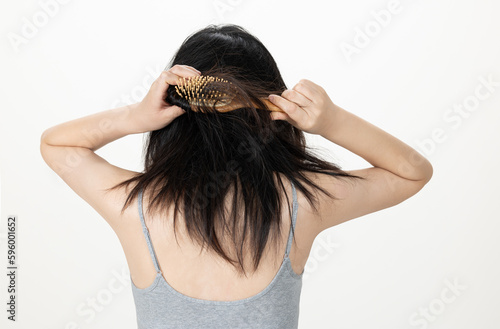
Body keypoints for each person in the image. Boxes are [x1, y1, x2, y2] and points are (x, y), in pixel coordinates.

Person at [40, 24, 433, 329]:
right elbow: (412, 172)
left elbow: (56, 146)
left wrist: (134, 116)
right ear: (268, 111)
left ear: (176, 110)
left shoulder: (135, 206)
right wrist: (332, 122)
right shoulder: (301, 203)